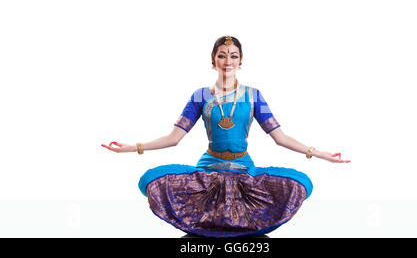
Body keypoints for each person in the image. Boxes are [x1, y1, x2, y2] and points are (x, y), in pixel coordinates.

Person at [101, 35, 350, 237]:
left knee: (301, 183)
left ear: (241, 60)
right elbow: (174, 138)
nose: (227, 60)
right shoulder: (200, 96)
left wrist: (319, 154)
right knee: (151, 179)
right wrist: (133, 147)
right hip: (208, 168)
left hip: (244, 169)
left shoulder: (253, 96)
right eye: (222, 55)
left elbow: (280, 137)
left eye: (233, 56)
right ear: (213, 60)